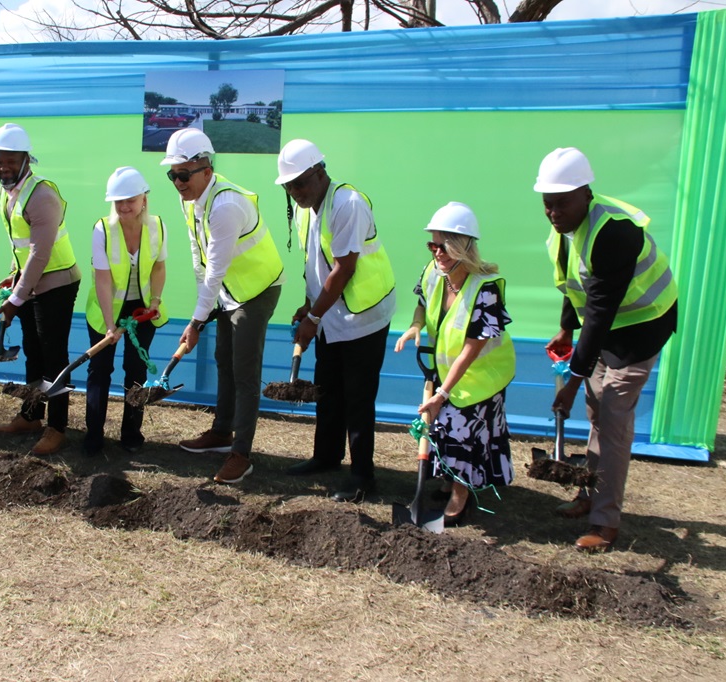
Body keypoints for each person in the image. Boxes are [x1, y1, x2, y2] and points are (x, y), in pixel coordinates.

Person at [534, 147, 678, 552]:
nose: (553, 212)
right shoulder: (564, 231)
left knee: (613, 417)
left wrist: (572, 381)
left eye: (561, 202)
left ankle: (605, 522)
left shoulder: (614, 232)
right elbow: (574, 283)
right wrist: (566, 329)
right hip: (610, 325)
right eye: (547, 204)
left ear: (585, 192)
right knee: (597, 408)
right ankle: (588, 494)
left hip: (643, 325)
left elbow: (599, 311)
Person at [274, 139, 396, 503]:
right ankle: (326, 456)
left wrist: (313, 318)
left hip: (363, 315)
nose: (295, 191)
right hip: (330, 314)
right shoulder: (307, 207)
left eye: (300, 182)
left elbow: (343, 268)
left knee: (358, 395)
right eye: (289, 186)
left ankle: (362, 475)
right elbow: (317, 263)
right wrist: (309, 304)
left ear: (320, 172)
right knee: (328, 388)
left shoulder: (348, 204)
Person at [161, 128, 284, 484]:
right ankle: (221, 432)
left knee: (245, 372)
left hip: (257, 290)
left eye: (183, 174)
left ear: (206, 169)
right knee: (223, 360)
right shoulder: (191, 200)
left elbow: (215, 270)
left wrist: (196, 322)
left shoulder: (226, 206)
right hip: (230, 290)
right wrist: (202, 314)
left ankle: (240, 454)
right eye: (172, 175)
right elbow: (199, 260)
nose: (178, 182)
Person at [395, 202, 516, 526]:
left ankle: (461, 496)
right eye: (432, 245)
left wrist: (443, 394)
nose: (437, 253)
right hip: (446, 371)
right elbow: (422, 303)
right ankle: (448, 481)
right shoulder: (434, 273)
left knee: (464, 435)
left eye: (444, 246)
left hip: (481, 377)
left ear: (464, 247)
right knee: (441, 430)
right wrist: (416, 325)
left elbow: (473, 348)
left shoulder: (485, 289)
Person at [0, 123, 82, 457]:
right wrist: (15, 276)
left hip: (57, 282)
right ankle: (30, 416)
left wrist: (16, 298)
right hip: (32, 281)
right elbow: (24, 246)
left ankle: (57, 428)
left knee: (53, 357)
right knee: (32, 350)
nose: (3, 166)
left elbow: (41, 254)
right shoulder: (10, 190)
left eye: (10, 160)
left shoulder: (42, 196)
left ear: (26, 159)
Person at [84, 167, 168, 456]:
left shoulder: (157, 226)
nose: (123, 206)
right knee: (99, 369)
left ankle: (132, 435)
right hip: (106, 309)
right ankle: (93, 436)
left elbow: (158, 266)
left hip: (143, 310)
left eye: (130, 199)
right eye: (118, 201)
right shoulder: (102, 230)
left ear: (144, 198)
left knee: (136, 370)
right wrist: (109, 326)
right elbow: (103, 278)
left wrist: (155, 301)